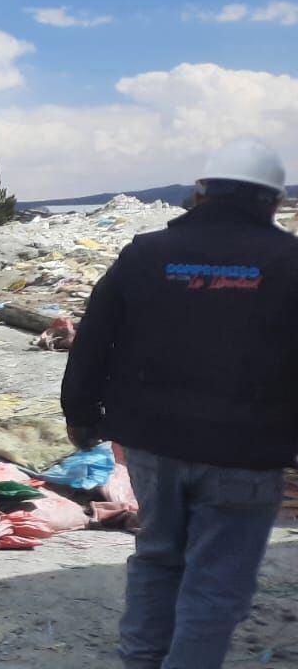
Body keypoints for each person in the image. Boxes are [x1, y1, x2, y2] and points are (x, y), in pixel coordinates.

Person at [61, 137, 295, 669]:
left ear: (200, 192)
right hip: (247, 451)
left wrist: (80, 416)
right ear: (273, 202)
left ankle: (142, 661)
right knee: (216, 581)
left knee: (159, 558)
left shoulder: (146, 254)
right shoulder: (290, 262)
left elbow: (93, 338)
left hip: (152, 444)